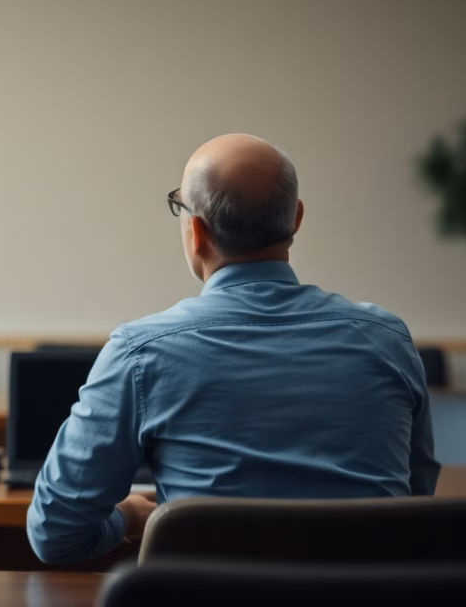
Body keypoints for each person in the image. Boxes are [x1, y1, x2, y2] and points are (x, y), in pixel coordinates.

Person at [26, 134, 439, 564]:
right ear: (296, 219)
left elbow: (55, 533)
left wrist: (129, 516)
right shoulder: (389, 340)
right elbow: (415, 499)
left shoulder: (140, 353)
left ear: (197, 231)